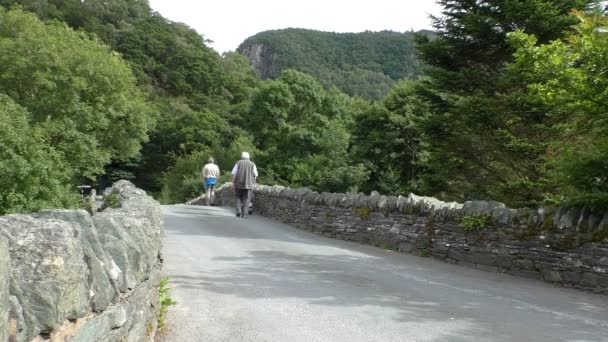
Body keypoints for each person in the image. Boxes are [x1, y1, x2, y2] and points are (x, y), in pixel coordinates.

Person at [231, 152, 258, 218]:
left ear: (242, 157)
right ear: (248, 157)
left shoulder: (238, 162)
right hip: (249, 184)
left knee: (238, 197)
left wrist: (233, 182)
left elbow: (234, 173)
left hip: (238, 183)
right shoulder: (252, 164)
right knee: (246, 198)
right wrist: (254, 181)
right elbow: (256, 174)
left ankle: (238, 211)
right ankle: (244, 213)